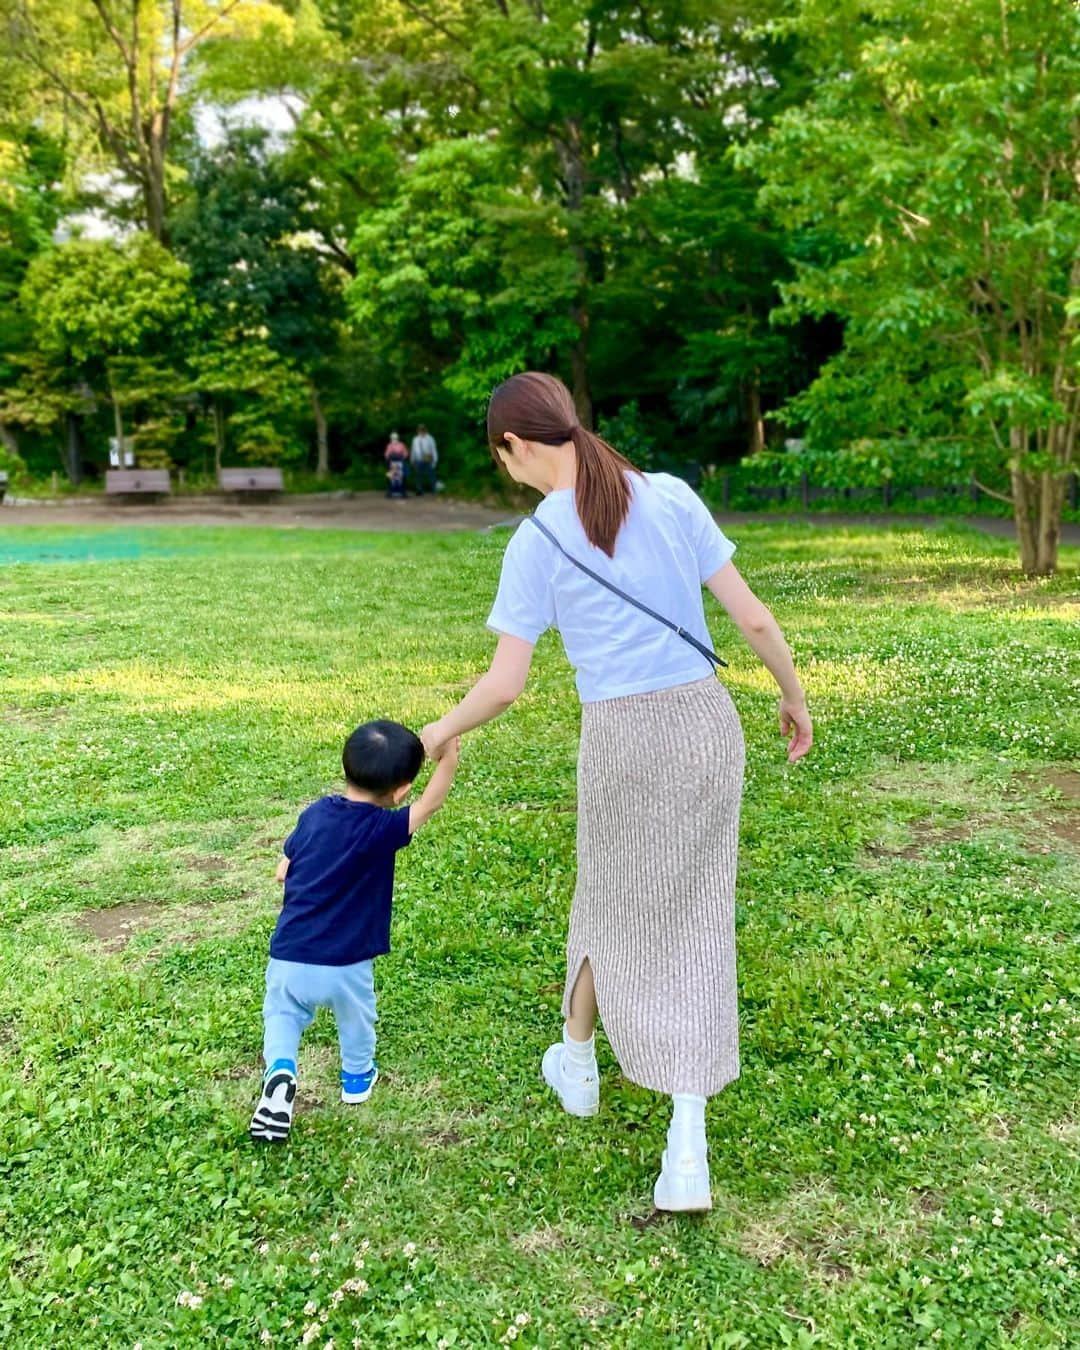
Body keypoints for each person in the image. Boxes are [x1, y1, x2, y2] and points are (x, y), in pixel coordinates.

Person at [421, 371, 812, 1211]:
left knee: (610, 897)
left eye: (505, 462)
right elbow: (753, 619)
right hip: (708, 724)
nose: (510, 475)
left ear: (516, 446)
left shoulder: (535, 542)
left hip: (624, 740)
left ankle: (599, 1076)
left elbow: (505, 684)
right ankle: (646, 1116)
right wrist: (792, 693)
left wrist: (434, 732)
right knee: (693, 913)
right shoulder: (668, 496)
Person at [249, 721, 459, 1144]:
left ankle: (281, 1072)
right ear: (400, 791)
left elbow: (283, 868)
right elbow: (432, 803)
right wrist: (448, 756)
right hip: (346, 962)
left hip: (290, 953)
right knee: (356, 1018)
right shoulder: (381, 830)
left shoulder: (313, 815)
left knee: (282, 1016)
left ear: (346, 766)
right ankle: (357, 1080)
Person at [410, 424, 439, 495]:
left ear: (425, 430)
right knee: (418, 475)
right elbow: (413, 450)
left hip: (427, 459)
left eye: (423, 430)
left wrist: (435, 460)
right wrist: (412, 459)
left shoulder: (430, 438)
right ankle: (419, 490)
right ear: (418, 430)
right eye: (420, 430)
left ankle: (434, 489)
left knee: (431, 474)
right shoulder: (415, 439)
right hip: (418, 459)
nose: (421, 431)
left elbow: (433, 450)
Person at [384, 431, 409, 498]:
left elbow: (405, 453)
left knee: (402, 476)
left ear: (397, 438)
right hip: (392, 464)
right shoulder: (389, 445)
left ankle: (403, 491)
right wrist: (388, 457)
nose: (394, 439)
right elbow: (386, 454)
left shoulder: (401, 444)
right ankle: (390, 491)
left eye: (395, 438)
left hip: (400, 463)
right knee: (390, 476)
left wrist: (403, 457)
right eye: (393, 438)